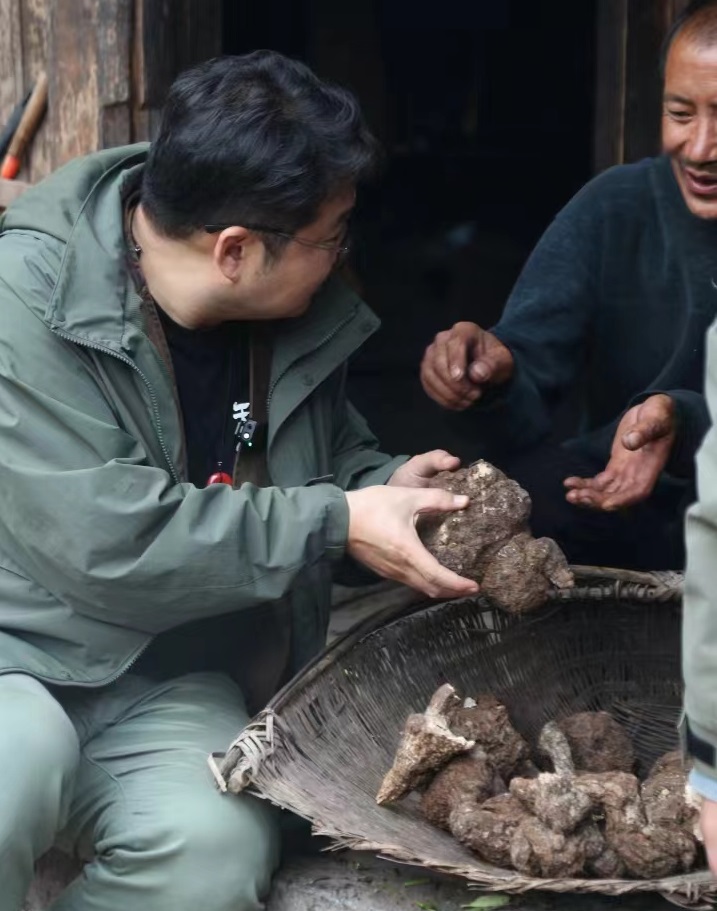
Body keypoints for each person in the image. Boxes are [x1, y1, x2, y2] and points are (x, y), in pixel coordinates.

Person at [0, 52, 478, 911]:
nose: (341, 257)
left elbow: (319, 467)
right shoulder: (22, 299)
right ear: (235, 249)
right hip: (18, 655)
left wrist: (388, 485)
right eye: (332, 236)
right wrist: (336, 519)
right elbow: (110, 541)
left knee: (216, 847)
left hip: (164, 674)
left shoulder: (282, 320)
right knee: (15, 762)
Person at [420, 0, 717, 571]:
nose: (700, 150)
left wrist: (681, 424)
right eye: (680, 114)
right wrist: (492, 375)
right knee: (490, 505)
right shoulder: (615, 206)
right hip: (617, 504)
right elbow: (525, 405)